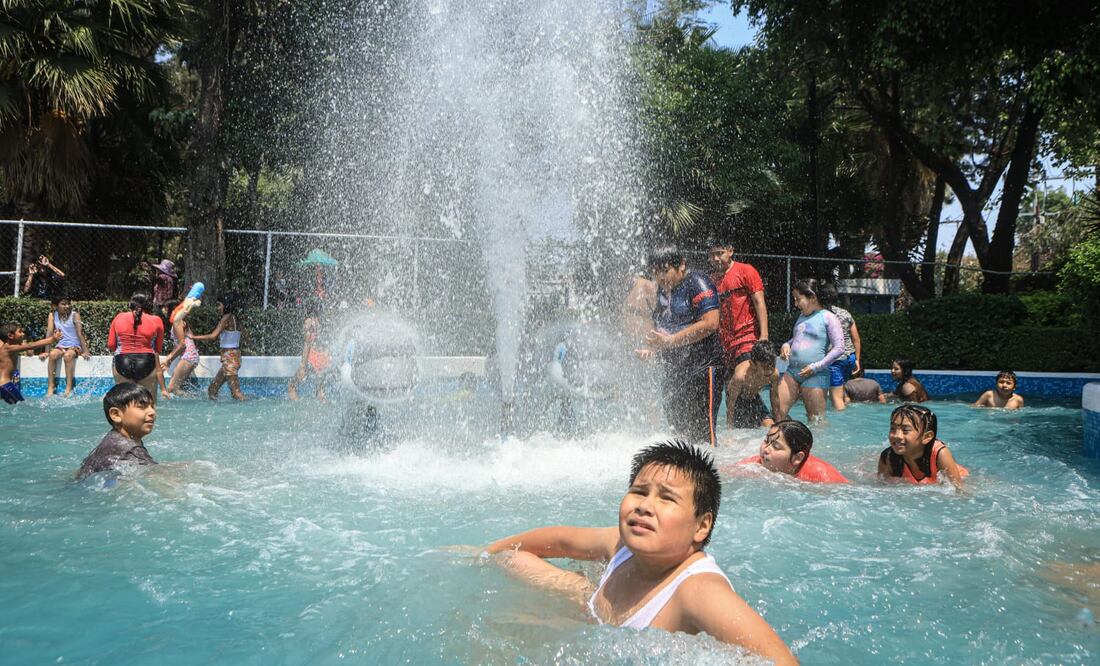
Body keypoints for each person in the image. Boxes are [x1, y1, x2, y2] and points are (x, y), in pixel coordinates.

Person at [484, 440, 797, 664]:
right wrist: (486, 551)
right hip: (594, 613)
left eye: (667, 499)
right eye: (639, 491)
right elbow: (563, 540)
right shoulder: (622, 546)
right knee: (512, 557)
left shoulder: (698, 592)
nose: (645, 506)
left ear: (701, 526)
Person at [636, 246, 726, 447]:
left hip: (704, 367)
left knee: (703, 434)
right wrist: (652, 348)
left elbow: (711, 323)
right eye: (655, 272)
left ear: (682, 265)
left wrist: (670, 341)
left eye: (665, 270)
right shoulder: (662, 292)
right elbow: (662, 328)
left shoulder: (697, 283)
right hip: (674, 369)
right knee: (678, 432)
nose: (660, 276)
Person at [707, 237, 769, 427]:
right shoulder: (712, 280)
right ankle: (764, 423)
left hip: (747, 338)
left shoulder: (745, 271)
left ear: (730, 250)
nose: (716, 259)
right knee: (734, 390)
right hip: (724, 344)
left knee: (746, 385)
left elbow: (759, 302)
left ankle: (765, 421)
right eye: (712, 255)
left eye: (720, 253)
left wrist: (764, 336)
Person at [776, 279, 845, 421]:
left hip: (816, 374)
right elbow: (797, 338)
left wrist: (815, 367)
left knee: (816, 421)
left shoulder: (829, 317)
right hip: (792, 372)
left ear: (812, 297)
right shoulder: (802, 317)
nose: (795, 304)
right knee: (778, 412)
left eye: (798, 299)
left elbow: (839, 348)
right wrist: (786, 344)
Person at [76, 383, 157, 481]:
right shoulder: (130, 450)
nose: (152, 412)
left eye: (152, 406)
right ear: (116, 415)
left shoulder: (114, 439)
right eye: (142, 406)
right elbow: (156, 475)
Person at [878, 404, 968, 489]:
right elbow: (882, 487)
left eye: (905, 430)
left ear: (926, 437)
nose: (897, 435)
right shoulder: (888, 458)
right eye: (892, 429)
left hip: (960, 475)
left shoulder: (940, 454)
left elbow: (959, 490)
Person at [734, 419, 848, 483]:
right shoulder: (758, 462)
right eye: (766, 441)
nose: (766, 449)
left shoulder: (823, 476)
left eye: (776, 447)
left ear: (797, 458)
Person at [108, 293, 169, 403]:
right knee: (149, 405)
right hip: (147, 362)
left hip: (122, 362)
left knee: (125, 404)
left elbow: (111, 346)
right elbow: (158, 349)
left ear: (131, 304)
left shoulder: (119, 317)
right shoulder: (156, 320)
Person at [818, 283, 862, 411]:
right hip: (850, 357)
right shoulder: (845, 313)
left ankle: (842, 424)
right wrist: (857, 359)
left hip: (835, 359)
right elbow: (856, 338)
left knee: (835, 397)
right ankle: (845, 407)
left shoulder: (820, 315)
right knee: (840, 390)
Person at [38, 297, 91, 397]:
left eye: (68, 304)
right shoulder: (53, 315)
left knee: (68, 356)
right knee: (53, 355)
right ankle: (51, 386)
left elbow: (80, 334)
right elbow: (49, 333)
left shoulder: (75, 315)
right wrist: (46, 351)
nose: (67, 306)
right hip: (61, 345)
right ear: (55, 306)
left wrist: (85, 351)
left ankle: (69, 388)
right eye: (63, 304)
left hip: (75, 346)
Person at [197, 295, 246, 401]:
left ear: (225, 305)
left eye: (219, 305)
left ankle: (253, 412)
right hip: (233, 356)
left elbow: (213, 336)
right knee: (212, 390)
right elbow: (246, 336)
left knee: (236, 394)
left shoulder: (226, 318)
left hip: (229, 358)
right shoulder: (236, 318)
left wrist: (193, 337)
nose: (217, 308)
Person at [0, 322, 61, 404]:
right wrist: (52, 339)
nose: (23, 334)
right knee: (20, 406)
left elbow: (29, 349)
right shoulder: (8, 347)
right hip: (5, 386)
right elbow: (31, 346)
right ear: (11, 336)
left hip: (4, 385)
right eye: (20, 332)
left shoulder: (11, 347)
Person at [724, 340, 779, 428]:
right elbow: (731, 403)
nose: (769, 370)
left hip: (754, 398)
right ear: (752, 364)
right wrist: (729, 428)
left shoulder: (774, 374)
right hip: (737, 401)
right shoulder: (740, 376)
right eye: (765, 367)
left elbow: (775, 398)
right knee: (744, 429)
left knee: (770, 425)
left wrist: (779, 422)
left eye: (772, 365)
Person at [288, 300, 332, 401]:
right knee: (320, 391)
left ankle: (297, 407)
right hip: (325, 360)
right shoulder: (324, 323)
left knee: (291, 387)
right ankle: (323, 408)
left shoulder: (308, 323)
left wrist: (303, 366)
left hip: (312, 359)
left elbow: (307, 344)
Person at [161, 300, 201, 396]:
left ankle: (196, 399)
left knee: (172, 388)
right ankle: (194, 397)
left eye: (165, 309)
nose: (164, 311)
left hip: (188, 356)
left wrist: (168, 359)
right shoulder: (182, 321)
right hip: (190, 355)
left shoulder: (178, 322)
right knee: (181, 386)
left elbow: (182, 345)